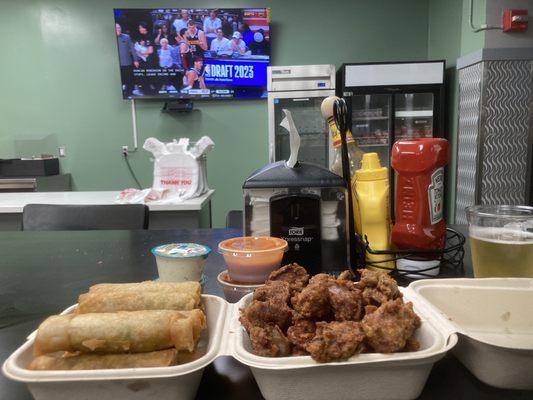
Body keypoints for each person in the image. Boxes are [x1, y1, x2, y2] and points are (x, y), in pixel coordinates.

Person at [115, 23, 139, 96]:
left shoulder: (126, 37)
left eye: (119, 27)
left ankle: (129, 94)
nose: (118, 29)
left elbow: (132, 49)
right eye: (116, 28)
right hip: (116, 65)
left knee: (129, 81)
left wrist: (136, 60)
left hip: (127, 63)